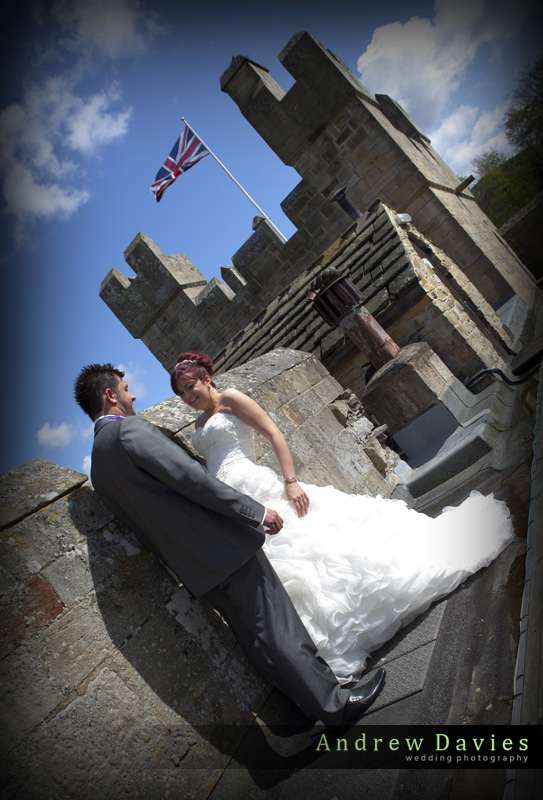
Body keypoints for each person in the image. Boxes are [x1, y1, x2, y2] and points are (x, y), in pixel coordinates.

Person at [170, 351, 515, 683]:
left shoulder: (231, 398)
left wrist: (290, 482)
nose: (187, 396)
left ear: (207, 378)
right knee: (285, 568)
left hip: (259, 488)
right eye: (181, 393)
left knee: (318, 544)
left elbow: (273, 433)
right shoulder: (199, 423)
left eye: (190, 386)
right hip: (238, 506)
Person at [74, 363, 385, 726]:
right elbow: (192, 479)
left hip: (194, 570)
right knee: (279, 627)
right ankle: (336, 705)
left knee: (253, 639)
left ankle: (304, 707)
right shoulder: (129, 430)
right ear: (110, 395)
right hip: (223, 546)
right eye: (125, 388)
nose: (132, 394)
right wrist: (255, 511)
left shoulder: (98, 469)